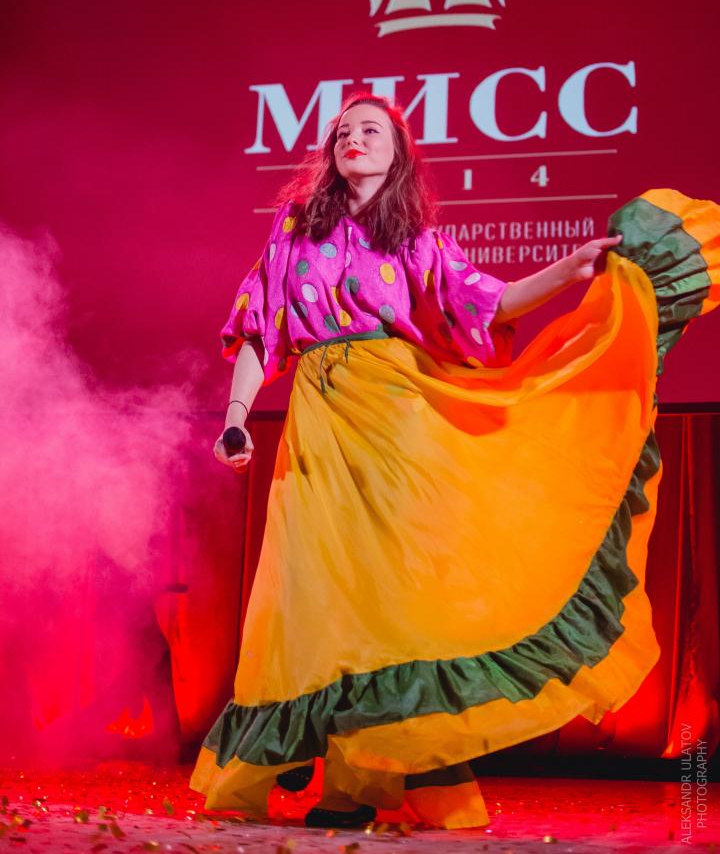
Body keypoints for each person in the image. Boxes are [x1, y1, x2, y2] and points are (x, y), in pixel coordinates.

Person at [189, 92, 720, 830]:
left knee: (385, 597)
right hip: (319, 423)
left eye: (371, 130)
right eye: (342, 132)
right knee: (315, 594)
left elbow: (491, 302)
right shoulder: (294, 231)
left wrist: (570, 270)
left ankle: (358, 783)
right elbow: (259, 330)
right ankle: (324, 749)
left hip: (398, 419)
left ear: (398, 153)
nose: (353, 138)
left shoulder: (415, 239)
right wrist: (236, 417)